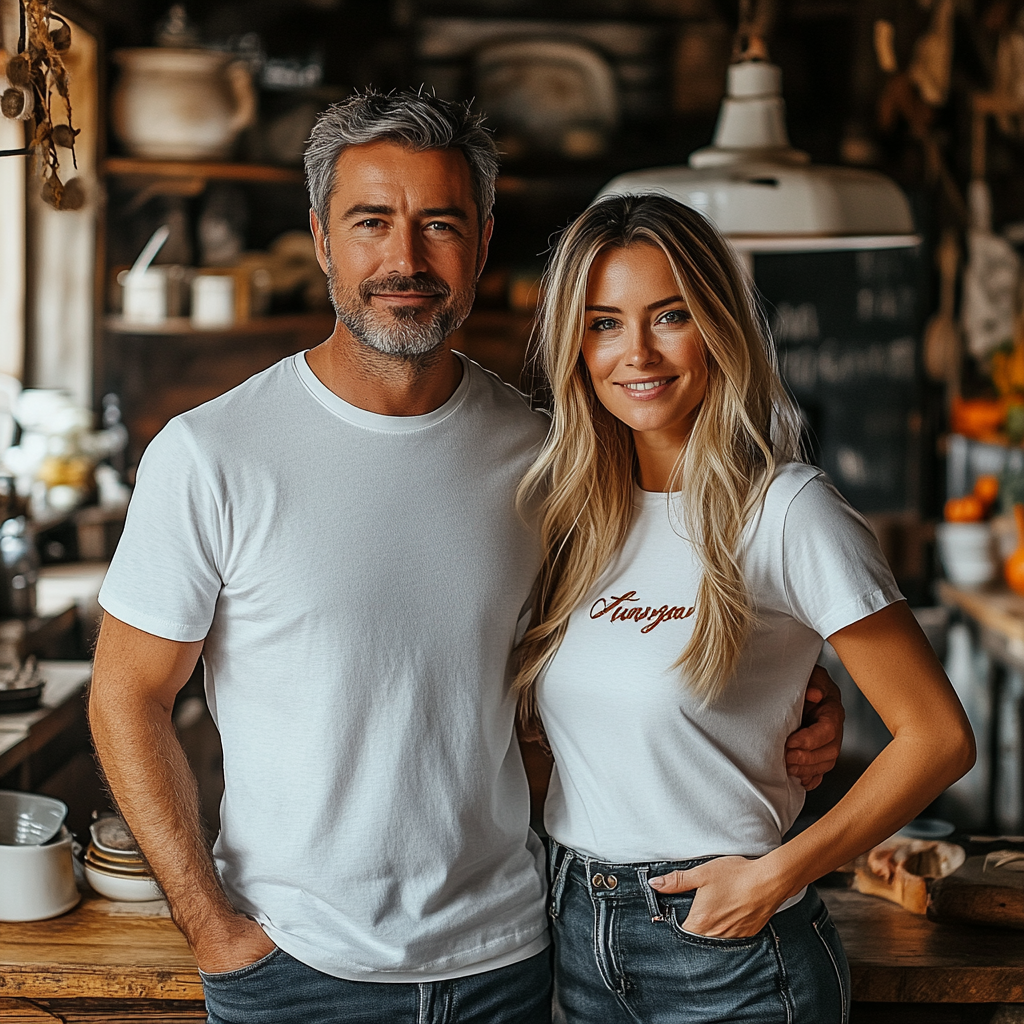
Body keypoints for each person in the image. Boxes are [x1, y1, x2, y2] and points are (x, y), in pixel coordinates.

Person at [88, 92, 845, 1024]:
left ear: (482, 243)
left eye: (437, 225)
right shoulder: (213, 453)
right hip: (297, 970)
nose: (404, 261)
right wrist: (212, 931)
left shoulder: (551, 452)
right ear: (322, 239)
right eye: (372, 223)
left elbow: (652, 616)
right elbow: (127, 695)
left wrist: (794, 695)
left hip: (513, 959)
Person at [512, 193, 976, 1024]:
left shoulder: (789, 510)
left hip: (730, 953)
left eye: (671, 315)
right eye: (604, 322)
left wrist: (779, 874)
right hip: (576, 931)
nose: (637, 352)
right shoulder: (574, 514)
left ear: (719, 325)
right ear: (575, 346)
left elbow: (938, 738)